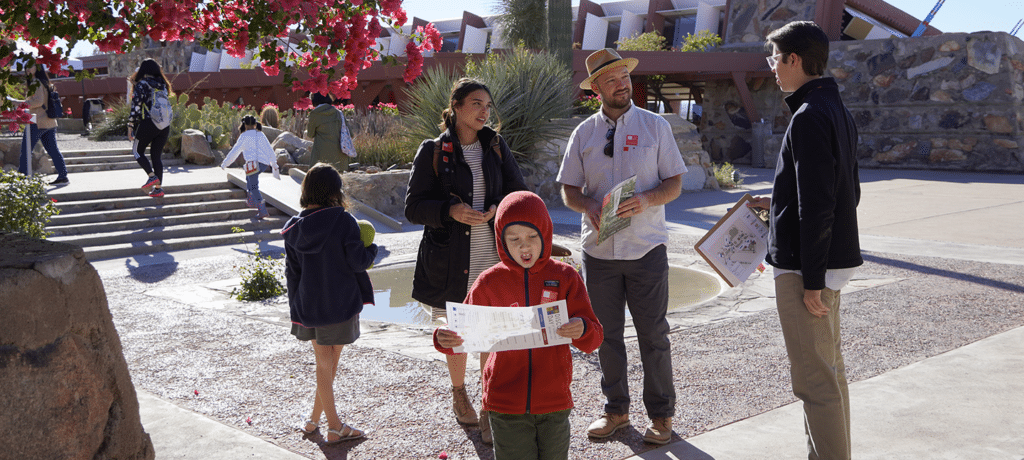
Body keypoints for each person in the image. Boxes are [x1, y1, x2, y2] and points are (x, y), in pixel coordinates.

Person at [556, 48, 687, 445]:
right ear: (595, 88)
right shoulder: (583, 134)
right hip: (598, 253)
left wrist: (646, 200)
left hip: (646, 249)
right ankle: (616, 411)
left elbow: (674, 184)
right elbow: (568, 190)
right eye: (611, 79)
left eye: (625, 77)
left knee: (653, 335)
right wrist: (589, 205)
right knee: (605, 336)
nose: (622, 84)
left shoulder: (655, 127)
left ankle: (661, 417)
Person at [747, 21, 861, 460]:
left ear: (794, 58)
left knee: (815, 382)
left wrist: (812, 278)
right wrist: (775, 199)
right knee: (828, 374)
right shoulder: (834, 107)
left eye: (775, 59)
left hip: (806, 268)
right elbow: (846, 188)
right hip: (827, 262)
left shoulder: (810, 114)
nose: (772, 69)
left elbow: (819, 203)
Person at [433, 190, 604, 460]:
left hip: (554, 401)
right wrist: (444, 338)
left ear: (545, 234)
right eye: (514, 239)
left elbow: (594, 337)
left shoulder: (565, 277)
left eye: (532, 237)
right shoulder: (489, 282)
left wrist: (581, 328)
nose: (524, 247)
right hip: (504, 403)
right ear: (501, 240)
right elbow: (460, 334)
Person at [404, 77, 527, 444]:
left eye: (488, 105)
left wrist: (499, 207)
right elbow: (413, 208)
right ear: (456, 106)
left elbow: (519, 194)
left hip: (491, 258)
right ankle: (459, 392)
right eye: (476, 103)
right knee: (455, 336)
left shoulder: (496, 147)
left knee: (489, 333)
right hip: (448, 262)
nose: (484, 111)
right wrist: (450, 211)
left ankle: (489, 403)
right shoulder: (432, 151)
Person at [282, 163, 378, 444]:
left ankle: (314, 420)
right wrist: (372, 249)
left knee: (325, 363)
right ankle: (335, 427)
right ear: (335, 191)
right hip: (340, 304)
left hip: (307, 306)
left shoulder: (293, 227)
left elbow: (292, 274)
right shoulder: (343, 220)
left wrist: (296, 310)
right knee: (328, 364)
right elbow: (358, 262)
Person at [220, 115, 282, 220]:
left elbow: (235, 151)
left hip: (252, 165)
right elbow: (269, 149)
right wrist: (274, 164)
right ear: (255, 124)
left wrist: (225, 163)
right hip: (263, 164)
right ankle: (251, 201)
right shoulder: (260, 134)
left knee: (253, 186)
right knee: (249, 180)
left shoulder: (243, 136)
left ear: (244, 125)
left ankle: (262, 210)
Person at [15, 67, 69, 185]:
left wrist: (19, 103)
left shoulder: (36, 82)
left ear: (38, 68)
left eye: (32, 66)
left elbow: (38, 101)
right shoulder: (45, 82)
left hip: (38, 121)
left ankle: (22, 177)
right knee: (53, 150)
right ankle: (63, 175)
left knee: (26, 150)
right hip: (49, 121)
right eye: (27, 67)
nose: (28, 69)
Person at [127, 58, 173, 198]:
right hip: (164, 125)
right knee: (156, 156)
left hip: (149, 122)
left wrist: (130, 126)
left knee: (137, 151)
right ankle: (158, 189)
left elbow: (136, 107)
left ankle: (151, 176)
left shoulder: (142, 84)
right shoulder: (163, 85)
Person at [306, 93, 347, 171]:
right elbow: (350, 132)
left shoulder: (315, 114)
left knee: (319, 178)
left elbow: (310, 134)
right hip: (339, 154)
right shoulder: (339, 113)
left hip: (321, 154)